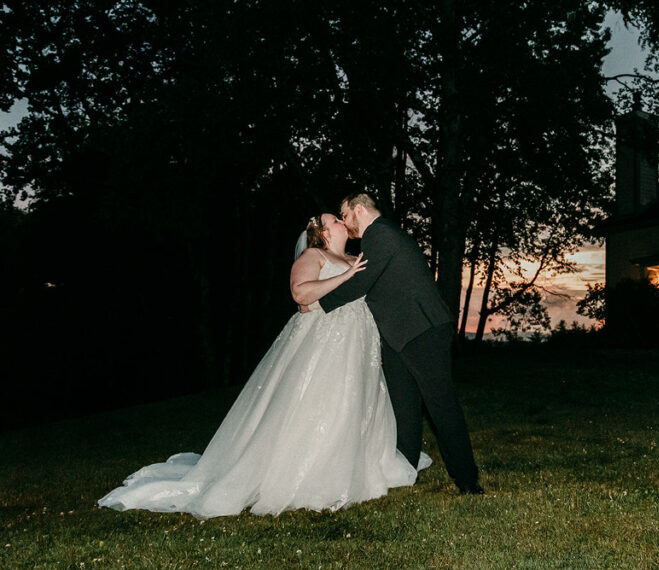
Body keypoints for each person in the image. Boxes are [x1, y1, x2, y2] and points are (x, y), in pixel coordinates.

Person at [98, 214, 429, 519]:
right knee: (322, 405)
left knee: (357, 404)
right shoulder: (313, 257)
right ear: (325, 232)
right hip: (324, 343)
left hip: (358, 343)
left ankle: (359, 468)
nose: (344, 221)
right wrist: (344, 277)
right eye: (335, 219)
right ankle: (314, 477)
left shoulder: (356, 259)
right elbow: (301, 293)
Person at [319, 192, 483, 494]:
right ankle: (405, 472)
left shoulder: (381, 234)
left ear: (358, 210)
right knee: (404, 408)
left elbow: (360, 285)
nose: (344, 223)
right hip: (398, 335)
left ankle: (467, 479)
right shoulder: (379, 237)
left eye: (345, 216)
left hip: (423, 330)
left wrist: (318, 304)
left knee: (440, 404)